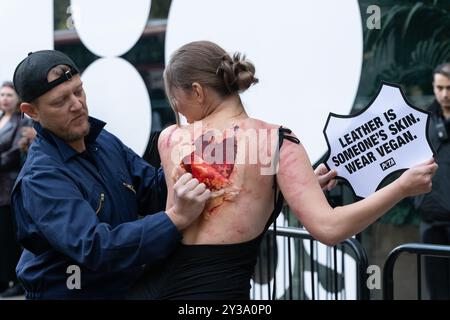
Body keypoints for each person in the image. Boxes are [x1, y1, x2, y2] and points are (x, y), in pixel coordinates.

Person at [129, 40, 437, 300]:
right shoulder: (273, 143)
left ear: (197, 91)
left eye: (176, 99)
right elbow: (329, 229)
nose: (177, 110)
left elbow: (214, 194)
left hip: (152, 287)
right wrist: (402, 187)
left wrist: (284, 188)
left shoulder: (171, 139)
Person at [10, 50, 211, 299]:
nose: (77, 104)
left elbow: (152, 191)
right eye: (60, 101)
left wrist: (191, 155)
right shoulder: (41, 177)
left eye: (78, 91)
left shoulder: (104, 142)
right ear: (31, 112)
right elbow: (96, 247)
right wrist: (176, 218)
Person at [413, 63, 450, 299]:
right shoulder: (423, 121)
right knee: (437, 292)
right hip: (431, 219)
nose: (444, 94)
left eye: (449, 88)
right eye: (439, 87)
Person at [0, 81, 28, 297]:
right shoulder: (1, 120)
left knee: (12, 236)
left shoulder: (21, 122)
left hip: (10, 188)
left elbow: (13, 153)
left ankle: (18, 280)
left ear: (17, 98)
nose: (5, 98)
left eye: (9, 94)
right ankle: (4, 278)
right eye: (2, 94)